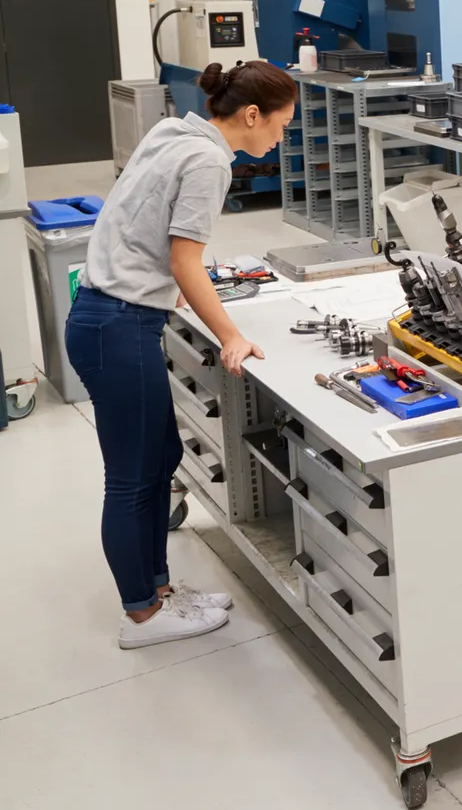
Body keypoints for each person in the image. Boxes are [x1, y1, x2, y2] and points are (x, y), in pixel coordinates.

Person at [67, 60, 296, 648]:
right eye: (281, 125)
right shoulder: (209, 160)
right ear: (251, 115)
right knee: (131, 478)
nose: (280, 138)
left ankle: (161, 592)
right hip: (119, 324)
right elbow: (183, 262)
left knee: (159, 455)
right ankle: (141, 613)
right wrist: (232, 336)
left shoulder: (175, 131)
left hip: (110, 316)